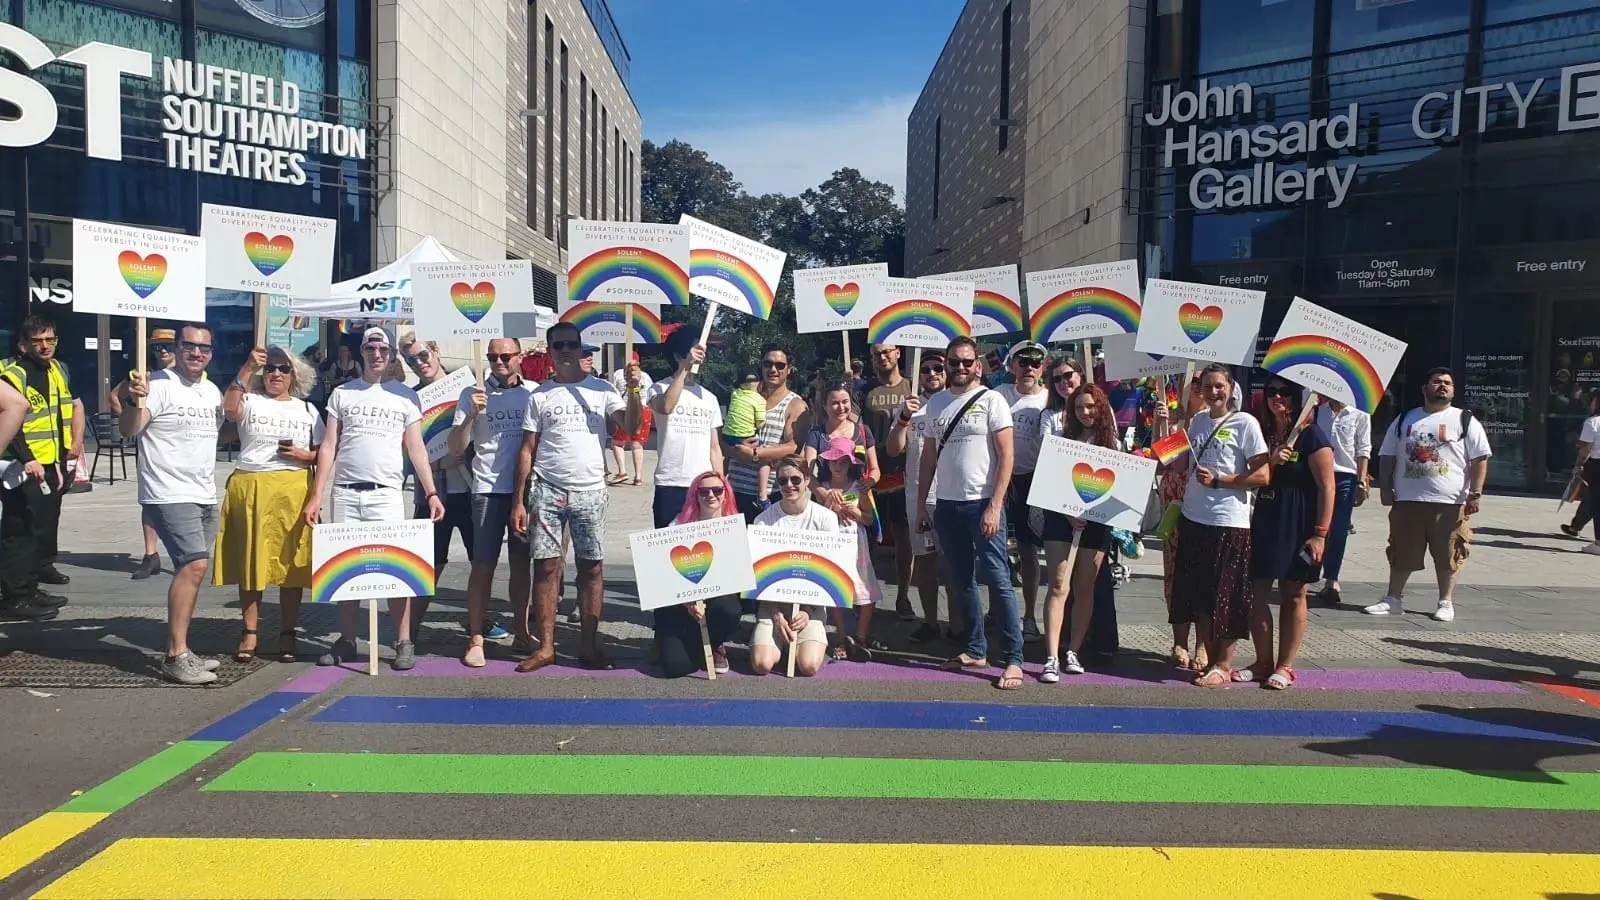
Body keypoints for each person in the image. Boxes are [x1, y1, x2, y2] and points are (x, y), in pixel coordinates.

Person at [303, 327, 445, 670]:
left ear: (392, 355)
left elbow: (416, 448)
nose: (377, 354)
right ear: (361, 353)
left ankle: (403, 640)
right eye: (371, 348)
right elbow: (329, 446)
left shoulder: (405, 397)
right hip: (347, 492)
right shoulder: (343, 393)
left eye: (383, 348)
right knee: (346, 569)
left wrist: (431, 492)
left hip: (387, 495)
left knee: (397, 569)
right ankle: (348, 639)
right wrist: (316, 495)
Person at [510, 322, 639, 672]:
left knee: (592, 568)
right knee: (546, 566)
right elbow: (527, 449)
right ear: (550, 350)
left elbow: (630, 425)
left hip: (590, 490)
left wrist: (634, 390)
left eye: (572, 344)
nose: (566, 350)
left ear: (581, 348)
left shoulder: (602, 391)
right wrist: (519, 500)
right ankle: (547, 647)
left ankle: (588, 645)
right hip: (547, 489)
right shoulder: (540, 395)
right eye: (559, 345)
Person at [118, 324, 226, 684]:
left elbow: (223, 433)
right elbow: (130, 429)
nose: (197, 353)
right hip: (167, 491)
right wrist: (135, 400)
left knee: (192, 571)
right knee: (193, 565)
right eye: (190, 346)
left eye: (204, 348)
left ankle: (181, 647)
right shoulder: (158, 385)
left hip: (203, 491)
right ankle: (175, 655)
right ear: (176, 348)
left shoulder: (210, 390)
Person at [915, 335, 1024, 691]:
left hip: (983, 503)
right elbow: (929, 458)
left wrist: (995, 504)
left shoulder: (993, 401)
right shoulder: (936, 405)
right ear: (946, 365)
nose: (959, 368)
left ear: (977, 364)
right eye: (953, 362)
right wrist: (921, 504)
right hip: (947, 504)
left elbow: (1006, 456)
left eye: (966, 362)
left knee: (998, 579)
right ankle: (976, 648)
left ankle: (1013, 658)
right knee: (960, 581)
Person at [215, 346, 322, 663]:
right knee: (252, 564)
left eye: (284, 368)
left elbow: (325, 452)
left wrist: (305, 456)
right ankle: (249, 633)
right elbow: (230, 411)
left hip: (293, 487)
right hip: (252, 484)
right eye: (271, 368)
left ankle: (288, 631)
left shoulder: (307, 410)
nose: (276, 373)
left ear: (294, 375)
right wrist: (247, 367)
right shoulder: (249, 399)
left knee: (291, 565)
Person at [1170, 363, 1271, 688]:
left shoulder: (1245, 423)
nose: (1213, 392)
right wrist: (1163, 430)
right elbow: (1180, 462)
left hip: (1229, 521)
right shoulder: (1197, 421)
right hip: (1193, 518)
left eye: (1219, 386)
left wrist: (1221, 480)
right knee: (1201, 593)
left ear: (1230, 388)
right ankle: (1209, 658)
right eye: (1207, 386)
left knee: (1226, 595)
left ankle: (1223, 664)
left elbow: (1263, 475)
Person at [1366, 368, 1491, 622]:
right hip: (1408, 500)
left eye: (1447, 383)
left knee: (1448, 553)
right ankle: (1393, 599)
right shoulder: (1405, 419)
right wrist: (1386, 487)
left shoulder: (1464, 420)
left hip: (1449, 502)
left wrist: (1475, 493)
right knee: (1401, 551)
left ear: (1453, 391)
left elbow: (1480, 459)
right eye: (1436, 382)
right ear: (1425, 388)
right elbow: (1388, 455)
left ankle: (1445, 602)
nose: (1442, 386)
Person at [1236, 376, 1335, 691]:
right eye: (1272, 392)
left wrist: (1320, 533)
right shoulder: (1264, 432)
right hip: (1266, 517)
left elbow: (1327, 487)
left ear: (1298, 398)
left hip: (1299, 520)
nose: (1277, 397)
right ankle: (1262, 661)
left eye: (1286, 392)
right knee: (1256, 593)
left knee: (1294, 593)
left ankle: (1285, 666)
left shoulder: (1312, 437)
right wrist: (1274, 462)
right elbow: (1256, 477)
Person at [450, 338, 537, 667]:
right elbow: (456, 447)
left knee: (520, 565)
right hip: (486, 488)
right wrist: (471, 414)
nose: (498, 362)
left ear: (519, 357)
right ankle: (475, 638)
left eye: (505, 356)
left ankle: (522, 632)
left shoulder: (534, 392)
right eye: (492, 357)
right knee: (483, 565)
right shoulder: (472, 393)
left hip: (524, 491)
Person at [400, 332, 487, 638]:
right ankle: (409, 629)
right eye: (411, 359)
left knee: (481, 560)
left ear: (435, 350)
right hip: (432, 494)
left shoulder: (469, 389)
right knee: (426, 563)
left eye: (423, 355)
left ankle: (480, 621)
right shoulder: (409, 398)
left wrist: (465, 454)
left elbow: (488, 435)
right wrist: (436, 464)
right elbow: (406, 452)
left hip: (470, 489)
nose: (419, 363)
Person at [0, 315, 84, 619]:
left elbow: (65, 411)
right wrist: (27, 458)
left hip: (49, 460)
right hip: (21, 464)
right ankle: (14, 596)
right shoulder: (14, 374)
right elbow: (11, 420)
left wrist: (68, 453)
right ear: (24, 344)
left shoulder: (57, 370)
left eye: (50, 339)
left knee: (37, 528)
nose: (45, 345)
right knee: (19, 529)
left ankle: (29, 588)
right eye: (38, 340)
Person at [1038, 381, 1120, 681]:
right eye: (1078, 407)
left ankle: (1073, 649)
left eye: (1090, 406)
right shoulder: (1061, 440)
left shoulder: (1113, 445)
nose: (1085, 412)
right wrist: (1068, 511)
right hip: (1061, 519)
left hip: (1097, 522)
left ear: (1100, 408)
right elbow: (1050, 480)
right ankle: (1051, 656)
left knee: (1086, 587)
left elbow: (1118, 490)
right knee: (1059, 583)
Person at [749, 457, 849, 677]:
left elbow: (831, 573)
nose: (789, 486)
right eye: (782, 480)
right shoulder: (763, 521)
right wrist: (776, 616)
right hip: (772, 605)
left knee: (808, 666)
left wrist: (807, 611)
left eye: (795, 479)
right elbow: (758, 575)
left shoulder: (826, 519)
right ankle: (774, 642)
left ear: (807, 480)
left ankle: (795, 644)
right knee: (761, 665)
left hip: (810, 605)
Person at [886, 349, 955, 643]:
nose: (931, 374)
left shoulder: (958, 401)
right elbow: (892, 449)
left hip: (953, 494)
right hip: (918, 496)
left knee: (952, 564)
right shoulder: (909, 406)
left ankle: (957, 624)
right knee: (924, 562)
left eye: (938, 368)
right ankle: (930, 622)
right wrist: (903, 417)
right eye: (925, 369)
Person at [653, 471, 742, 677]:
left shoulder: (735, 525)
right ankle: (686, 643)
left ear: (726, 494)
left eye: (717, 490)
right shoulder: (678, 525)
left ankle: (714, 643)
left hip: (718, 601)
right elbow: (663, 570)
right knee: (677, 668)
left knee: (729, 609)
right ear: (695, 495)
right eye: (703, 491)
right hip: (681, 604)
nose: (710, 495)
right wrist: (686, 601)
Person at [110, 330, 178, 581]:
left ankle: (187, 554)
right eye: (158, 347)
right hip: (152, 444)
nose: (163, 351)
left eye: (168, 346)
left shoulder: (191, 375)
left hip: (181, 445)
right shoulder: (143, 374)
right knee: (150, 498)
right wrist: (133, 423)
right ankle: (151, 554)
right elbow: (115, 396)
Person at [996, 340, 1050, 641]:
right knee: (995, 549)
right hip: (1002, 481)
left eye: (1035, 362)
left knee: (1029, 552)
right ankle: (998, 610)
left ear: (1042, 367)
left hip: (1033, 481)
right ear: (1012, 365)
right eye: (1023, 361)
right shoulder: (1000, 395)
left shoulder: (1048, 399)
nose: (1029, 367)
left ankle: (1029, 616)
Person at [1153, 372, 1207, 670]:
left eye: (1200, 384)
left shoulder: (1213, 421)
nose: (1195, 389)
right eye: (1192, 383)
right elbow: (1161, 458)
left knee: (1201, 574)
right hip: (1173, 503)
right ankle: (1179, 640)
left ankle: (1202, 644)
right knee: (1174, 572)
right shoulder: (1174, 419)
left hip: (1204, 503)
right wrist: (1162, 423)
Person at [815, 436, 885, 660]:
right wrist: (829, 505)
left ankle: (861, 637)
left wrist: (857, 514)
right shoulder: (823, 489)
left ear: (850, 464)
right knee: (835, 592)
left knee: (865, 592)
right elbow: (815, 519)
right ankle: (840, 637)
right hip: (832, 547)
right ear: (827, 463)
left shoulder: (860, 487)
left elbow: (868, 519)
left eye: (843, 461)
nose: (838, 465)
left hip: (856, 546)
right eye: (834, 461)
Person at [647, 331, 724, 528]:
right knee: (668, 548)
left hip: (703, 485)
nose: (701, 355)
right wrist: (684, 368)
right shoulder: (657, 388)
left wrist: (720, 483)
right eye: (695, 348)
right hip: (670, 481)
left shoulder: (709, 398)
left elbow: (714, 447)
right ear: (678, 355)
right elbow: (666, 406)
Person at [861, 344, 916, 620]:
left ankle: (903, 596)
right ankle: (864, 596)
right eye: (876, 354)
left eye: (887, 352)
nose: (882, 357)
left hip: (904, 472)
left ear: (898, 354)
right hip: (873, 472)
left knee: (905, 539)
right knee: (869, 538)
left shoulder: (912, 385)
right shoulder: (865, 391)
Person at [726, 343, 807, 521]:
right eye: (767, 364)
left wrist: (755, 454)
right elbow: (726, 437)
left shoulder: (795, 405)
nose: (773, 369)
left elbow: (793, 447)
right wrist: (734, 449)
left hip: (770, 495)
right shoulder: (744, 396)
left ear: (789, 369)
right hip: (734, 489)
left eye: (780, 365)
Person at [1311, 394, 1372, 606]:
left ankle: (1332, 579)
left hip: (1344, 475)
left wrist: (1361, 481)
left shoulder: (1360, 413)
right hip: (1315, 473)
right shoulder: (1317, 409)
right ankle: (1308, 570)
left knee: (1338, 529)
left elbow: (1363, 449)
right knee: (1315, 526)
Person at [607, 360, 652, 486]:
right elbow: (649, 392)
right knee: (637, 445)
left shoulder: (619, 374)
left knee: (617, 443)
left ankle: (622, 471)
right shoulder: (645, 375)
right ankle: (638, 477)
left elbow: (613, 391)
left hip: (624, 409)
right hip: (644, 409)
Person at [723, 372, 767, 497]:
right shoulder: (760, 400)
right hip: (745, 436)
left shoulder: (735, 394)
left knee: (729, 457)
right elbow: (759, 425)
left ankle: (723, 482)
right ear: (760, 384)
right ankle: (763, 493)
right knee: (766, 458)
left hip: (728, 435)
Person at [1574, 397, 1600, 554]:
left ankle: (1598, 543)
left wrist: (1578, 464)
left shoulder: (1593, 422)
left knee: (1598, 504)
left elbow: (1586, 448)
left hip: (1597, 465)